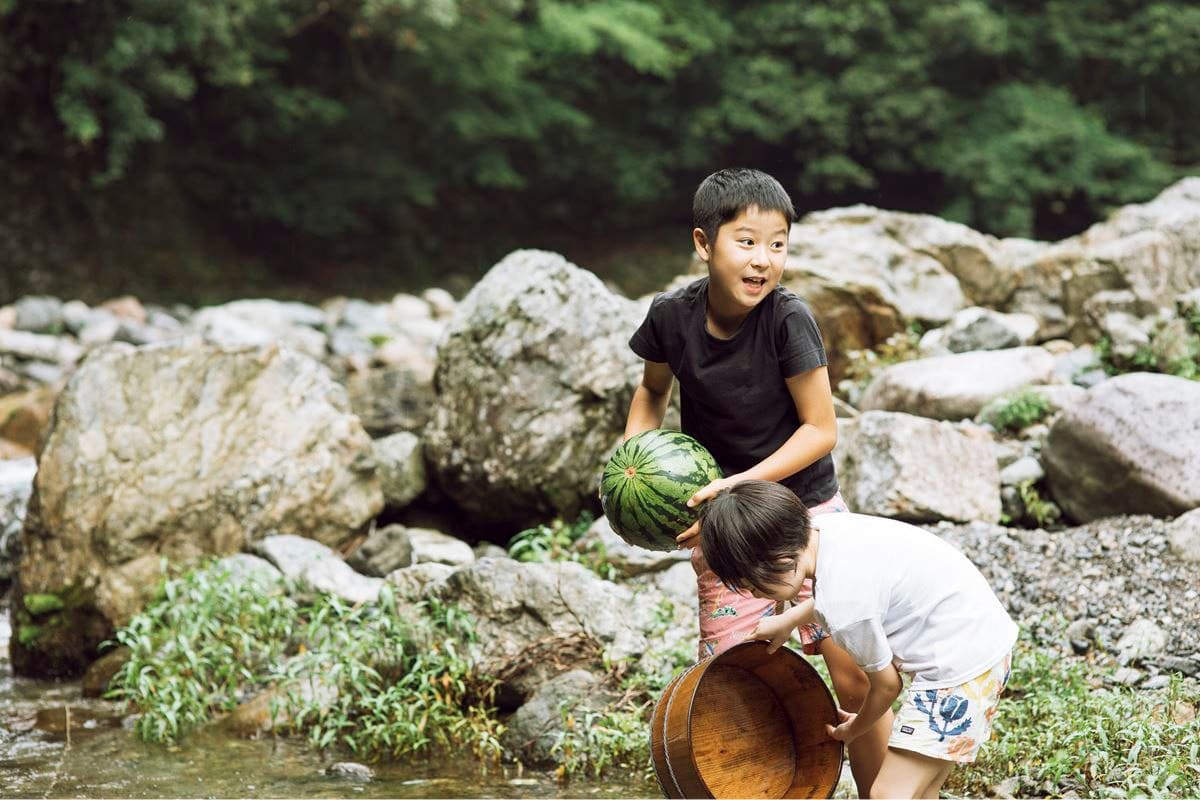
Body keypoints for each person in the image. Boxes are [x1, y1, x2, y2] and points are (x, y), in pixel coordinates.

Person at [622, 167, 891, 794]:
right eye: (745, 242)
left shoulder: (787, 319)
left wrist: (738, 483)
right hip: (725, 529)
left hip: (807, 515)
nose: (762, 259)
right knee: (730, 681)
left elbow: (821, 429)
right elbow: (651, 392)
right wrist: (636, 465)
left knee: (852, 676)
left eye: (777, 244)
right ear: (703, 242)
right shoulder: (670, 316)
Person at [699, 480, 1019, 800]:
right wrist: (789, 619)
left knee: (887, 794)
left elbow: (887, 686)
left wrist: (854, 729)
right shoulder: (826, 529)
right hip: (981, 639)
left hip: (958, 671)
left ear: (779, 560)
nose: (755, 595)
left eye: (752, 585)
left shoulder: (845, 606)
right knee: (920, 792)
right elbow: (846, 593)